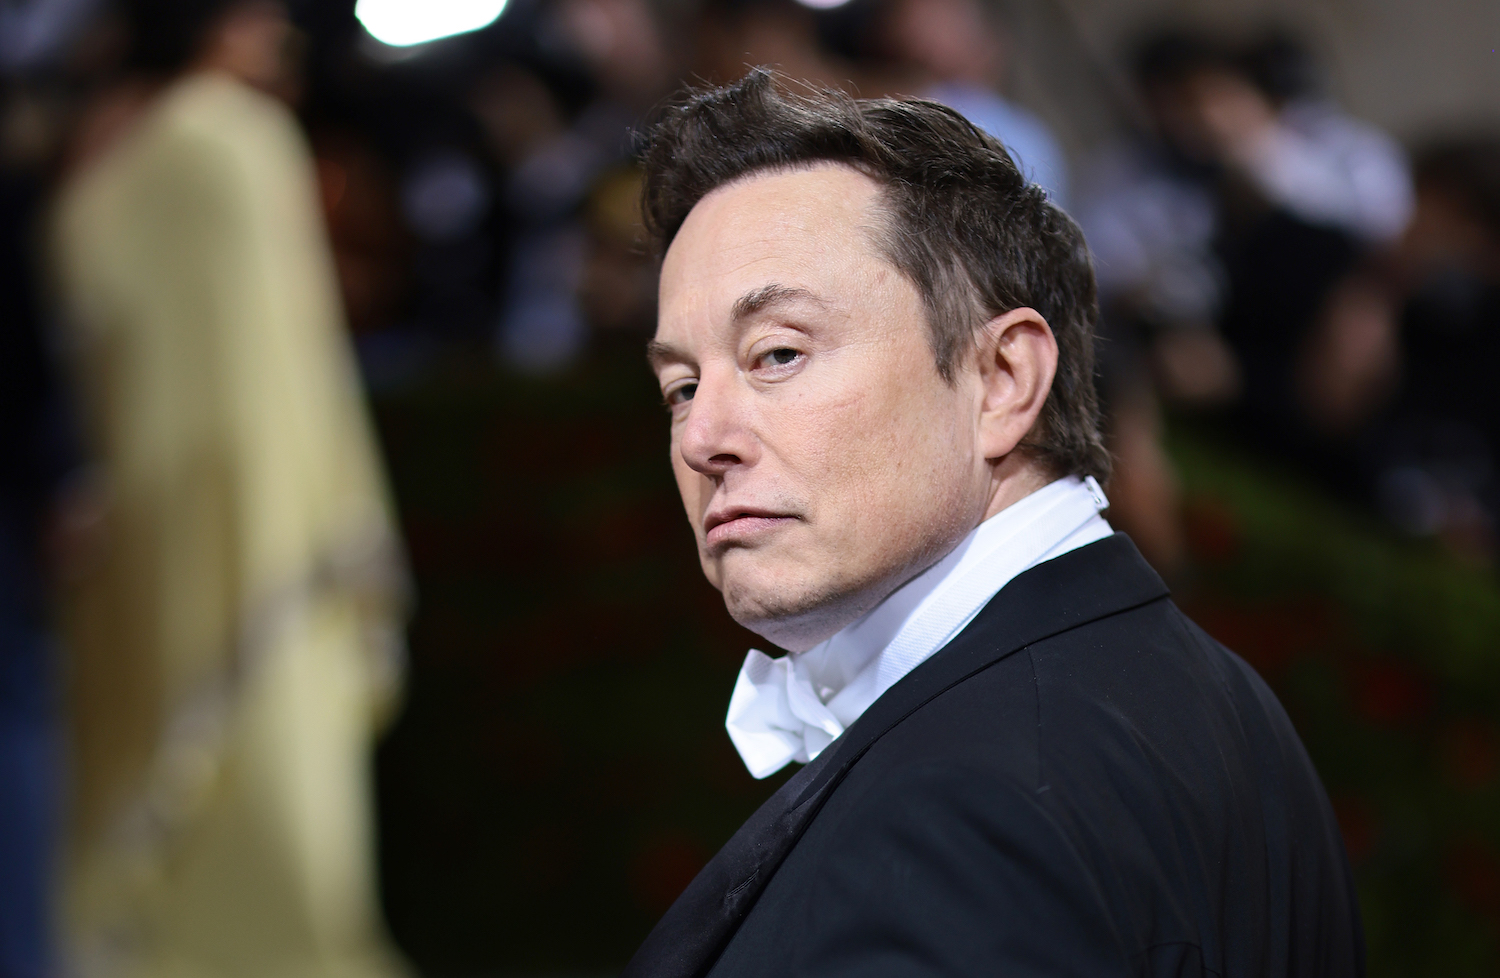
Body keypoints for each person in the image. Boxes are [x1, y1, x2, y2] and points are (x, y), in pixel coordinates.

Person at [626, 70, 1363, 976]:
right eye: (682, 386)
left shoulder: (972, 804)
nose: (702, 438)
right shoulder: (1197, 692)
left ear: (1004, 378)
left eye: (778, 353)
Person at [48, 0, 409, 975]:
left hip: (129, 516)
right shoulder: (234, 138)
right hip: (257, 520)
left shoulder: (99, 140)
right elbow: (290, 364)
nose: (281, 25)